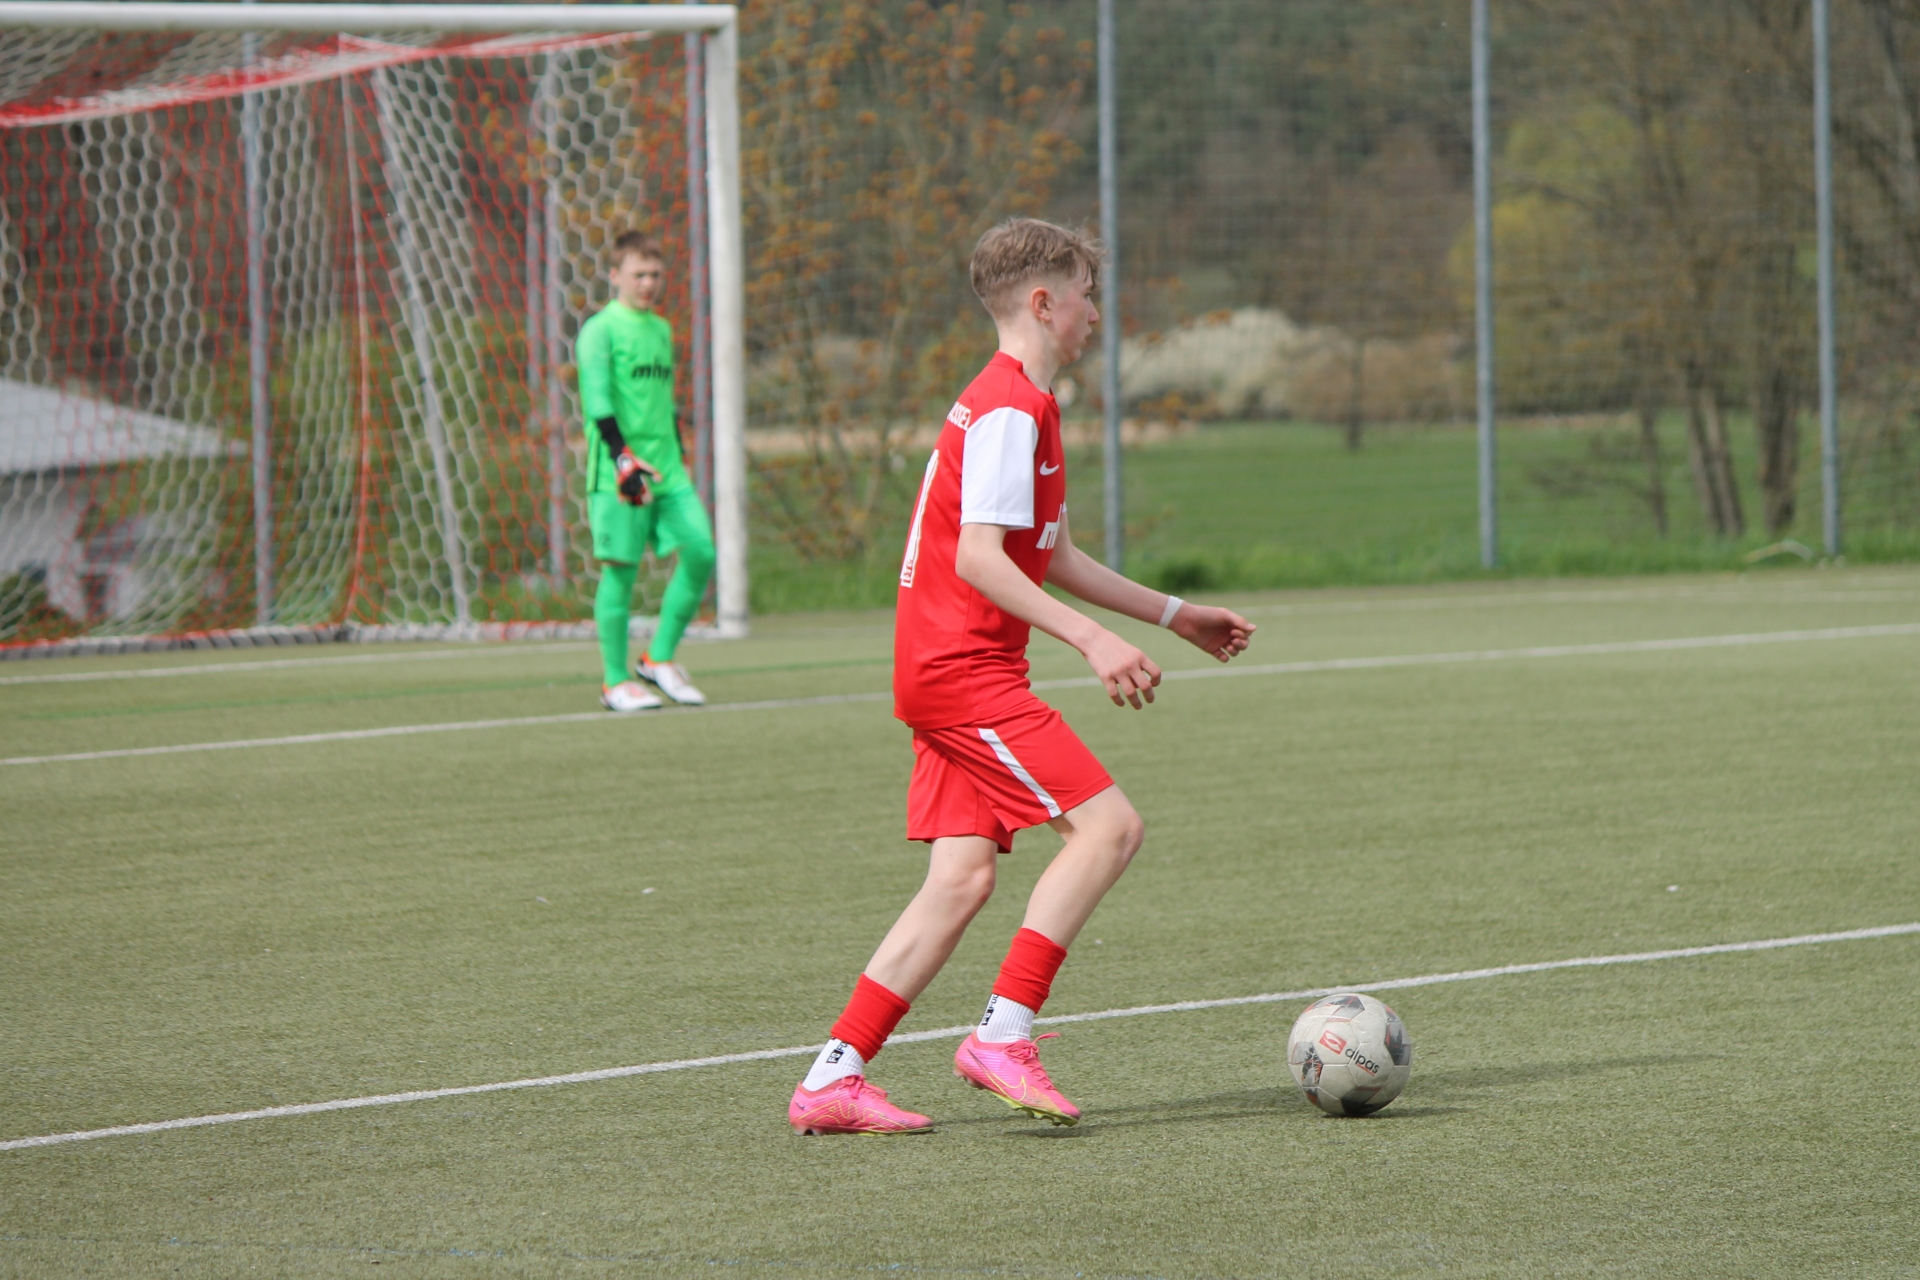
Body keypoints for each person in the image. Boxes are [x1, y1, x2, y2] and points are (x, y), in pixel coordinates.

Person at [788, 218, 1256, 1135]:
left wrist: (1175, 615)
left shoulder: (1021, 404)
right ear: (1043, 302)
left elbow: (1055, 555)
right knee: (1110, 829)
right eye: (1085, 295)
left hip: (945, 669)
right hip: (963, 670)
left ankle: (832, 1078)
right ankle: (1003, 1036)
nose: (1095, 314)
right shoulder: (1007, 408)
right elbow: (980, 558)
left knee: (960, 881)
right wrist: (1092, 641)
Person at [575, 230, 715, 711]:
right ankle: (615, 681)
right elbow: (597, 401)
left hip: (668, 471)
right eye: (639, 274)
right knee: (621, 571)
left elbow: (663, 401)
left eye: (655, 275)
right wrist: (623, 459)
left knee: (701, 551)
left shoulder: (661, 329)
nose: (648, 283)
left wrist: (678, 449)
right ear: (615, 276)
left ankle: (658, 659)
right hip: (620, 471)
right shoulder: (600, 331)